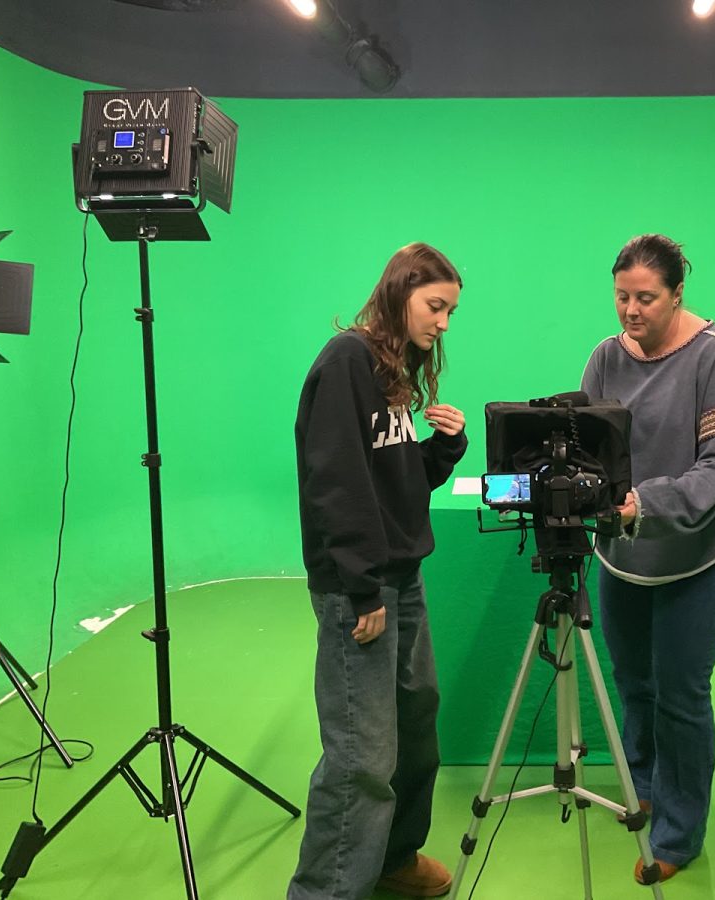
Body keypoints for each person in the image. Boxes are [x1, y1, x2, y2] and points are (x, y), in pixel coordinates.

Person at [580, 234, 715, 884]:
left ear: (677, 294)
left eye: (646, 299)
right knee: (634, 682)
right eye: (621, 296)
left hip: (707, 555)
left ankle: (678, 835)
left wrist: (644, 503)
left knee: (680, 695)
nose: (631, 311)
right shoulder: (606, 357)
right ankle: (647, 790)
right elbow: (590, 443)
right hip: (627, 554)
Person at [289, 242, 467, 900]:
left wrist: (442, 450)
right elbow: (336, 484)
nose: (444, 322)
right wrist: (362, 588)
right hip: (357, 591)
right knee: (361, 759)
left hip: (403, 581)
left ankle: (394, 858)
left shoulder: (393, 374)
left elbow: (397, 484)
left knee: (416, 729)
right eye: (435, 306)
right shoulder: (347, 361)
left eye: (450, 310)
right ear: (400, 294)